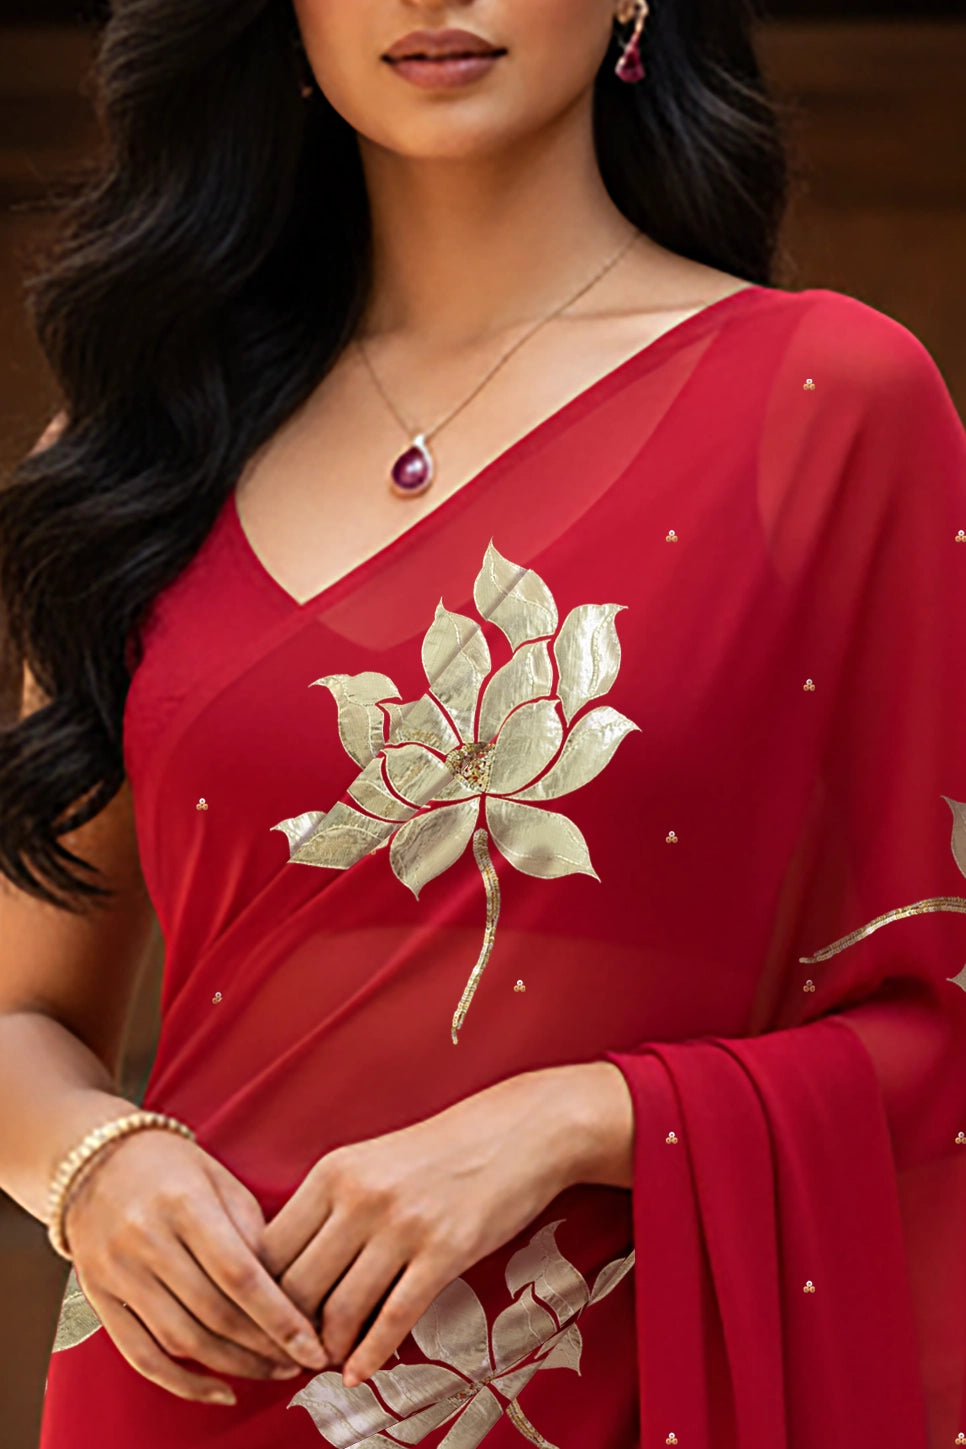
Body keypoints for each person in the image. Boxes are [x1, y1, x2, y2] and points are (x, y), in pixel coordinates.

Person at [1, 1, 965, 1446]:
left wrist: (567, 1120)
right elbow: (21, 1011)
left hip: (618, 1386)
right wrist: (100, 1164)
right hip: (197, 1379)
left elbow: (936, 1026)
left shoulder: (827, 404)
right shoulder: (141, 446)